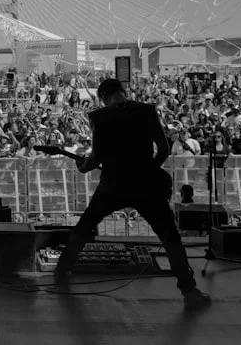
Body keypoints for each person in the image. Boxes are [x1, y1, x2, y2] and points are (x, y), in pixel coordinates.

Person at [53, 78, 211, 310]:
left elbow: (96, 158)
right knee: (170, 237)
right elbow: (164, 149)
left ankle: (61, 272)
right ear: (123, 91)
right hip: (146, 185)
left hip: (112, 185)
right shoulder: (146, 111)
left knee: (84, 227)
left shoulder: (100, 117)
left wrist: (84, 166)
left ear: (103, 97)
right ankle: (189, 291)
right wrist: (149, 170)